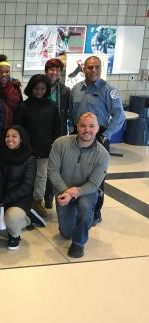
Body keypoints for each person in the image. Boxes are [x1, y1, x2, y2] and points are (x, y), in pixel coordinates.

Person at [69, 55, 125, 226]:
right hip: (77, 138)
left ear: (101, 69)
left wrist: (106, 135)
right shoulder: (76, 89)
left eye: (96, 67)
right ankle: (77, 206)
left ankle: (95, 211)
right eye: (89, 67)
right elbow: (71, 113)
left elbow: (119, 115)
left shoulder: (109, 90)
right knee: (76, 173)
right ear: (83, 69)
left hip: (98, 138)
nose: (93, 70)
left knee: (97, 177)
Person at [48, 112, 109, 258]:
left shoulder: (103, 154)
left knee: (85, 207)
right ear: (77, 127)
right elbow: (53, 172)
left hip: (87, 191)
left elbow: (94, 184)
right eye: (83, 126)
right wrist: (66, 191)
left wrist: (72, 193)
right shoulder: (60, 144)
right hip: (63, 189)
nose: (87, 130)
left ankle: (79, 243)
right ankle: (77, 219)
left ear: (97, 128)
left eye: (91, 126)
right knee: (66, 233)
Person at [14, 74, 60, 219]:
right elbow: (18, 129)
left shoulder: (52, 106)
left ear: (46, 90)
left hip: (45, 149)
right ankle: (24, 201)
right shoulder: (23, 106)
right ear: (31, 89)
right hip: (26, 150)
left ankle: (37, 201)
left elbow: (57, 129)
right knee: (26, 177)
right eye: (36, 88)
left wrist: (55, 145)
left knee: (41, 177)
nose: (39, 92)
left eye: (42, 89)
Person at [0, 126, 41, 251]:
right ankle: (26, 218)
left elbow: (27, 186)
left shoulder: (29, 158)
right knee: (0, 230)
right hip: (2, 196)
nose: (9, 139)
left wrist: (4, 199)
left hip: (20, 198)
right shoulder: (0, 153)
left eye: (14, 136)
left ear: (21, 139)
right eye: (7, 136)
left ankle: (16, 235)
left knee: (11, 219)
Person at [44, 58, 71, 209]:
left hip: (58, 133)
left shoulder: (65, 91)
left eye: (57, 70)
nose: (54, 73)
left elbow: (68, 112)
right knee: (42, 166)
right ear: (46, 70)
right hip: (42, 132)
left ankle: (49, 197)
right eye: (51, 69)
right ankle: (39, 196)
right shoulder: (40, 86)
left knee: (55, 167)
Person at [0, 59, 23, 129]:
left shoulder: (15, 87)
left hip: (12, 127)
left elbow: (20, 107)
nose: (4, 75)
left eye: (7, 72)